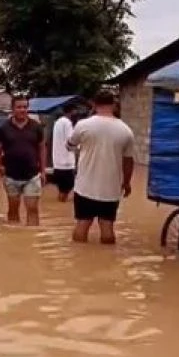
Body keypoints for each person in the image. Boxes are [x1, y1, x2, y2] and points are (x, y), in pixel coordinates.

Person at [67, 90, 135, 244]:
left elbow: (70, 145)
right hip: (111, 190)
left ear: (93, 104)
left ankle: (78, 255)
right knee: (107, 227)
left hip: (85, 187)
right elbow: (128, 161)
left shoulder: (83, 125)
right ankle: (108, 257)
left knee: (82, 224)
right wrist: (126, 183)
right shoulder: (126, 131)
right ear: (114, 104)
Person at [0, 95, 46, 225]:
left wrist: (43, 171)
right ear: (12, 109)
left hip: (32, 175)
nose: (22, 110)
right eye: (19, 107)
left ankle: (32, 235)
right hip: (11, 176)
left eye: (25, 107)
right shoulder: (3, 128)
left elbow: (42, 149)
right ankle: (14, 235)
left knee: (32, 209)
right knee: (13, 210)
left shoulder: (36, 127)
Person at [50, 105, 77, 201]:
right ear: (71, 111)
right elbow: (71, 140)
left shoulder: (57, 122)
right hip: (66, 162)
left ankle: (60, 202)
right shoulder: (67, 123)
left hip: (57, 161)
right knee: (67, 188)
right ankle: (62, 202)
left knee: (62, 188)